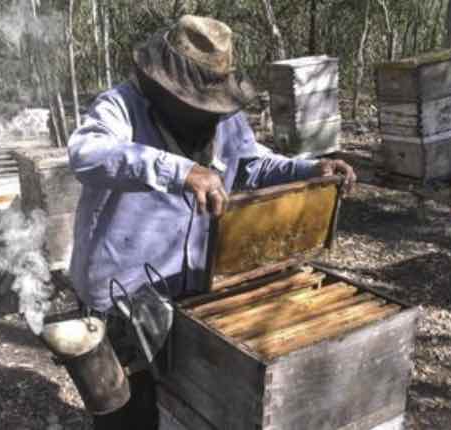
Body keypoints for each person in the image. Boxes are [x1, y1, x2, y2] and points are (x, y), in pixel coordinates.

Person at [67, 15, 356, 430]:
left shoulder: (225, 119)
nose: (203, 112)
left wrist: (309, 170)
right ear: (161, 85)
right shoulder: (121, 106)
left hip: (192, 290)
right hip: (122, 295)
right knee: (125, 411)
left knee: (186, 401)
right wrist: (179, 171)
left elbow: (252, 166)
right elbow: (86, 154)